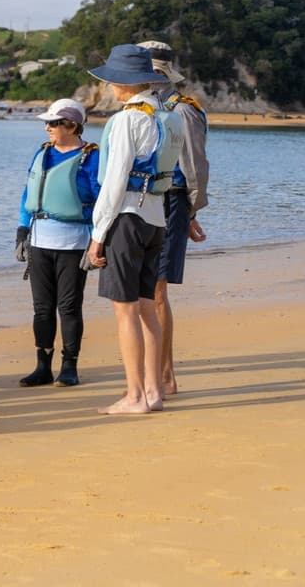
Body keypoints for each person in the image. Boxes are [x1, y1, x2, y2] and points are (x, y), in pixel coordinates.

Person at [84, 44, 181, 415]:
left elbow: (114, 181)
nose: (109, 87)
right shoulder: (169, 117)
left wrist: (97, 235)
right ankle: (154, 392)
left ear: (123, 83)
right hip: (156, 218)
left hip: (126, 218)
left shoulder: (126, 120)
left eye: (111, 81)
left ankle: (135, 395)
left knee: (125, 311)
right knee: (146, 308)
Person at [139, 41, 209, 396]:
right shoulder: (143, 107)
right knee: (144, 291)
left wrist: (191, 211)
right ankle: (157, 374)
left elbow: (195, 168)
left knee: (157, 291)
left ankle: (166, 376)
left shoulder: (182, 111)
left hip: (172, 201)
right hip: (145, 202)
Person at [15, 98, 101, 387]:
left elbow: (102, 202)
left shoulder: (91, 158)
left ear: (72, 126)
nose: (47, 128)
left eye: (53, 123)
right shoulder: (42, 154)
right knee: (41, 308)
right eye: (47, 123)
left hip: (74, 244)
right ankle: (42, 366)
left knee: (69, 308)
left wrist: (97, 243)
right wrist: (22, 232)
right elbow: (27, 196)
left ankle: (69, 366)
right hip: (40, 242)